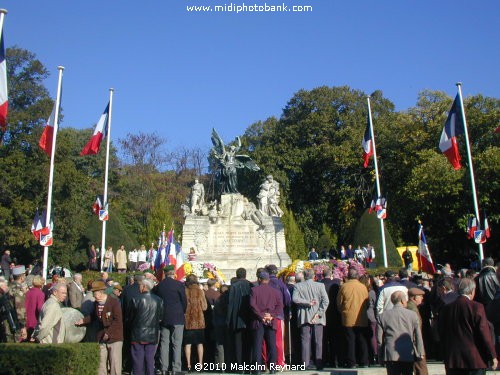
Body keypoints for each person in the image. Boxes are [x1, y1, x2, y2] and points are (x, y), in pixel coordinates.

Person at [439, 278, 497, 375]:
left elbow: (441, 332)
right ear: (472, 291)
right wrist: (492, 355)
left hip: (453, 359)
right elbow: (484, 333)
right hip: (475, 359)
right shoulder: (477, 307)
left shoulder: (446, 308)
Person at [78, 281, 124, 375]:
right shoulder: (96, 303)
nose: (94, 296)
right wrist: (83, 321)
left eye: (95, 294)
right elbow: (94, 316)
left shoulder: (114, 302)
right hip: (101, 336)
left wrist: (108, 333)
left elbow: (117, 320)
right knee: (101, 363)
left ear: (101, 292)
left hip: (115, 337)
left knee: (114, 364)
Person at [377, 291, 425, 375]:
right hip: (408, 352)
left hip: (390, 354)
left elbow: (379, 340)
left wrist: (380, 357)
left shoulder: (382, 316)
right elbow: (418, 335)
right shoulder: (412, 315)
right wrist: (420, 352)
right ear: (403, 301)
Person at [293, 268, 329, 370]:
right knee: (318, 341)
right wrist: (319, 313)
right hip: (318, 317)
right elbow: (326, 301)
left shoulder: (298, 286)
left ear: (304, 276)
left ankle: (305, 363)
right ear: (314, 276)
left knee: (305, 340)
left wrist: (307, 302)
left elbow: (295, 299)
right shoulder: (320, 285)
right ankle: (319, 362)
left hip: (305, 316)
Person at [154, 266, 187, 375]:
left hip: (164, 317)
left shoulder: (160, 286)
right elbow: (184, 300)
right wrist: (182, 311)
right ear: (173, 273)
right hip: (177, 316)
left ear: (165, 273)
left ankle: (164, 368)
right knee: (177, 344)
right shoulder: (179, 285)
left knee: (164, 343)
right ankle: (175, 368)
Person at [127, 278, 163, 375]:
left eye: (140, 285)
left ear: (144, 286)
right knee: (150, 359)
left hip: (137, 333)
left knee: (138, 359)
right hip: (152, 333)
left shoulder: (135, 299)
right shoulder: (159, 300)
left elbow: (129, 317)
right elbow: (160, 318)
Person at [250, 271, 283, 374]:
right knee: (271, 345)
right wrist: (271, 315)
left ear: (259, 279)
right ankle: (272, 368)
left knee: (257, 345)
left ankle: (257, 369)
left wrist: (261, 316)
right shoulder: (275, 291)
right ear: (268, 280)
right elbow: (280, 305)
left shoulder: (254, 290)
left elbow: (252, 305)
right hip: (270, 320)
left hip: (258, 321)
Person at [336, 268, 369, 368]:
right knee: (362, 340)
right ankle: (364, 361)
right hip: (361, 317)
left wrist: (343, 311)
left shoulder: (344, 287)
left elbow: (339, 303)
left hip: (348, 317)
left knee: (350, 341)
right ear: (357, 276)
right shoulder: (363, 287)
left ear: (348, 276)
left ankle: (351, 362)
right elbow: (367, 303)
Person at [226, 267, 253, 366]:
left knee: (238, 343)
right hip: (249, 318)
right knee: (248, 342)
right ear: (245, 275)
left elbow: (231, 304)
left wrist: (228, 320)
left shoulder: (234, 286)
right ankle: (248, 364)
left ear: (237, 275)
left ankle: (239, 365)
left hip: (237, 319)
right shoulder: (251, 285)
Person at [183, 274, 208, 372]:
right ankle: (200, 365)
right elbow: (204, 307)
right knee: (199, 343)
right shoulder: (200, 291)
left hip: (188, 320)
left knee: (188, 344)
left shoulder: (185, 291)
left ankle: (188, 365)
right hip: (199, 321)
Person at [9, 266, 28, 341]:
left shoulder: (9, 286)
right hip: (15, 323)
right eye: (24, 275)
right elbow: (20, 308)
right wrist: (23, 326)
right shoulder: (18, 289)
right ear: (21, 277)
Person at [25, 275, 45, 340]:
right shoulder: (40, 293)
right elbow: (40, 308)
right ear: (41, 284)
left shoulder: (27, 292)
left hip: (26, 321)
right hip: (34, 321)